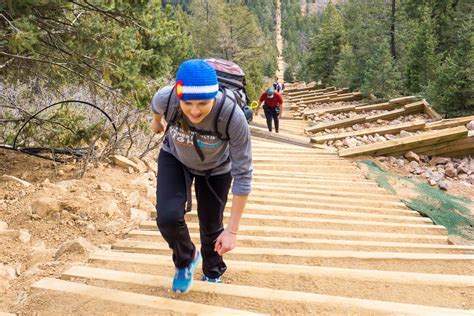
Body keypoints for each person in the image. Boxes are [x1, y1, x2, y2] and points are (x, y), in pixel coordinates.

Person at [150, 59, 252, 294]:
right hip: (175, 157)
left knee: (212, 224)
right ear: (178, 96)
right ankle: (186, 260)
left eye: (203, 103)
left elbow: (244, 173)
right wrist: (156, 122)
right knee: (167, 217)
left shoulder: (231, 115)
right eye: (188, 103)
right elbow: (156, 107)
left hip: (216, 168)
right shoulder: (167, 97)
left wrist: (233, 231)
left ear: (215, 96)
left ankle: (212, 271)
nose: (195, 111)